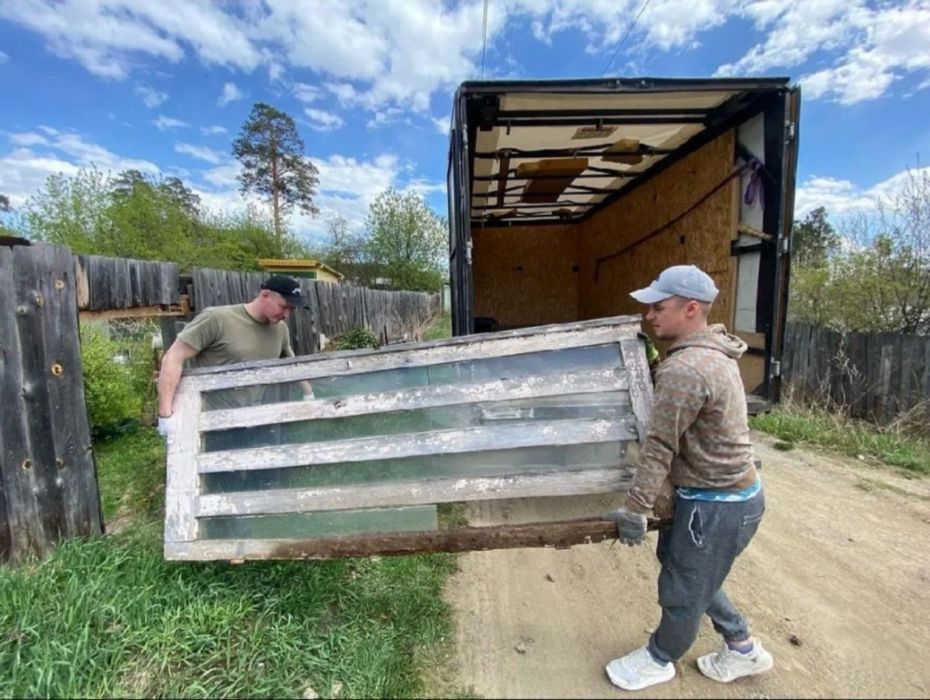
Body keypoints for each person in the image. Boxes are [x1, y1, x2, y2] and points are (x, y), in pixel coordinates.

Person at [605, 264, 772, 691]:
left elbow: (660, 445)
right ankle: (741, 646)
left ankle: (660, 658)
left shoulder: (688, 369)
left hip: (716, 504)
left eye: (658, 308)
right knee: (691, 571)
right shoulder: (709, 352)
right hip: (728, 497)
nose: (649, 316)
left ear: (691, 309)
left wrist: (636, 509)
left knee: (682, 585)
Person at [156, 274, 311, 441]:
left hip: (255, 420)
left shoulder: (280, 330)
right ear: (265, 295)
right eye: (283, 306)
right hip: (210, 424)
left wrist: (309, 395)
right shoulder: (216, 319)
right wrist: (166, 416)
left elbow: (293, 364)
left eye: (291, 310)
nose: (286, 315)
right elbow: (173, 358)